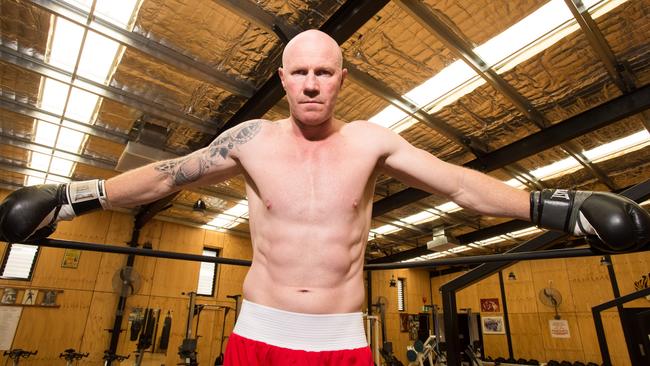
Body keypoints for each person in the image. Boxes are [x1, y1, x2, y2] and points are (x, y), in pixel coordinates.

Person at [0, 30, 648, 365]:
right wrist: (72, 196)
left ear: (342, 78)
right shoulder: (250, 139)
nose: (311, 84)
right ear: (283, 78)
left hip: (341, 339)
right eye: (299, 72)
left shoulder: (371, 142)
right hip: (257, 333)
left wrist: (555, 207)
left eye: (324, 72)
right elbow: (169, 173)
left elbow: (457, 183)